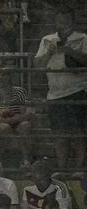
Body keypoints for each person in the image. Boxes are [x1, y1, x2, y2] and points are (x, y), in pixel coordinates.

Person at [34, 9, 87, 169]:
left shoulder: (83, 38)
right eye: (60, 22)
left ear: (73, 23)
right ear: (55, 23)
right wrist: (50, 52)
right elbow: (37, 66)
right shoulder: (47, 40)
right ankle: (62, 167)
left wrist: (70, 50)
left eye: (66, 22)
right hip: (55, 94)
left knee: (78, 134)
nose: (63, 26)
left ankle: (79, 167)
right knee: (60, 135)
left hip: (77, 91)